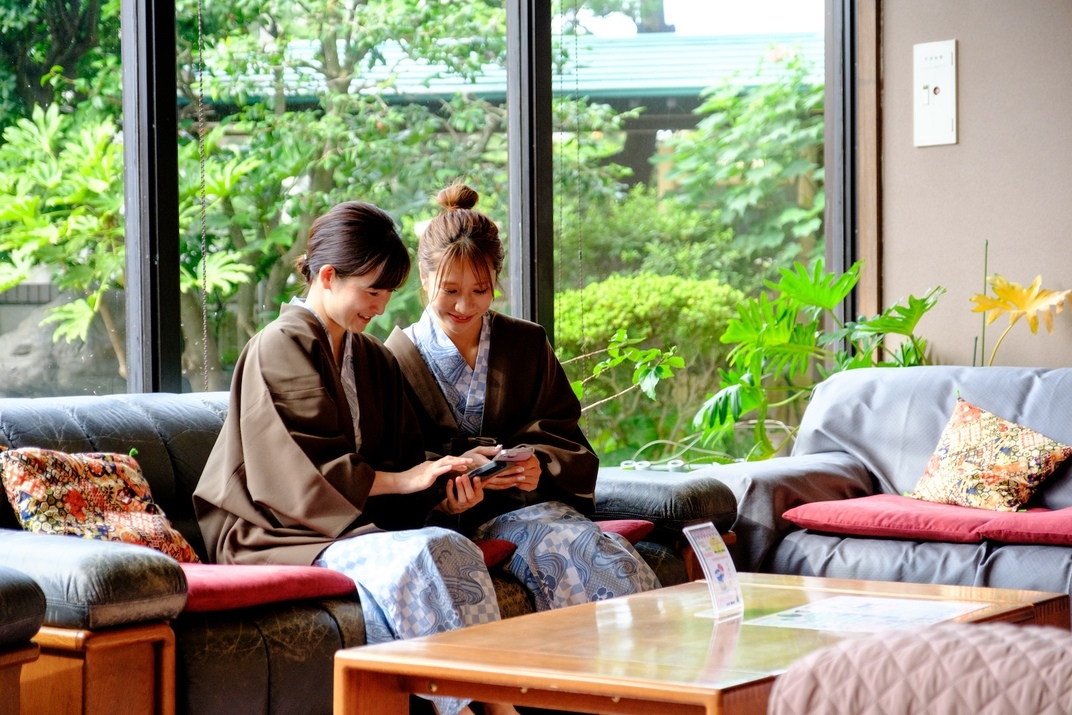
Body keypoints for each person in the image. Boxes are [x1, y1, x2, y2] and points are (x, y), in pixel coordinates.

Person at [192, 200, 517, 715]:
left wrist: (447, 479)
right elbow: (305, 471)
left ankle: (494, 701)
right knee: (419, 553)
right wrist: (409, 479)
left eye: (387, 293)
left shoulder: (370, 356)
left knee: (451, 544)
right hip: (279, 531)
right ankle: (472, 709)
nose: (382, 307)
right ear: (327, 275)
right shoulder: (279, 345)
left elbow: (403, 460)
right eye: (372, 291)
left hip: (341, 524)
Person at [385, 183, 660, 612]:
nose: (464, 305)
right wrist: (446, 486)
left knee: (605, 559)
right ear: (424, 278)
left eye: (480, 289)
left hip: (530, 509)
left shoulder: (526, 343)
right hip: (443, 524)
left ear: (495, 279)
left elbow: (565, 436)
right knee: (571, 552)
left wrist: (537, 466)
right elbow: (390, 464)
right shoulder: (393, 360)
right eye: (450, 290)